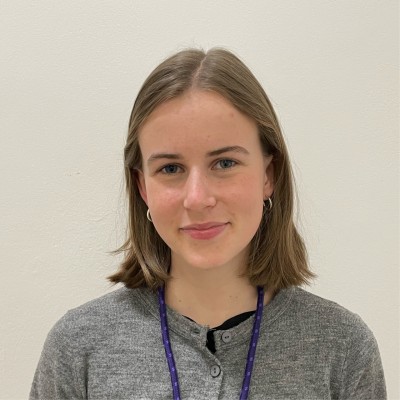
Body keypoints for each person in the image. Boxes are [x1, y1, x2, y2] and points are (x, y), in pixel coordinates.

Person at [30, 48, 386, 400]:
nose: (197, 198)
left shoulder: (343, 348)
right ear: (143, 187)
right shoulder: (78, 347)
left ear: (268, 175)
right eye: (171, 168)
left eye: (225, 163)